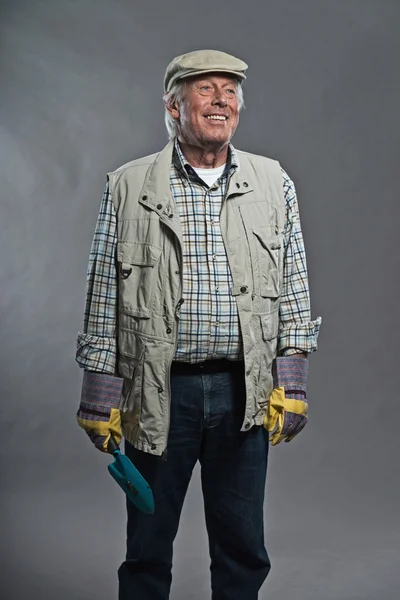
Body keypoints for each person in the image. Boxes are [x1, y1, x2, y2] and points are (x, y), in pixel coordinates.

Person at [75, 49, 322, 600]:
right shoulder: (128, 185)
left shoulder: (273, 181)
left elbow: (295, 283)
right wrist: (98, 394)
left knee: (242, 548)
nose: (221, 100)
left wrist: (294, 381)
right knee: (146, 546)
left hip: (245, 391)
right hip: (158, 392)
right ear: (172, 105)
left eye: (230, 90)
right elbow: (102, 291)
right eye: (205, 88)